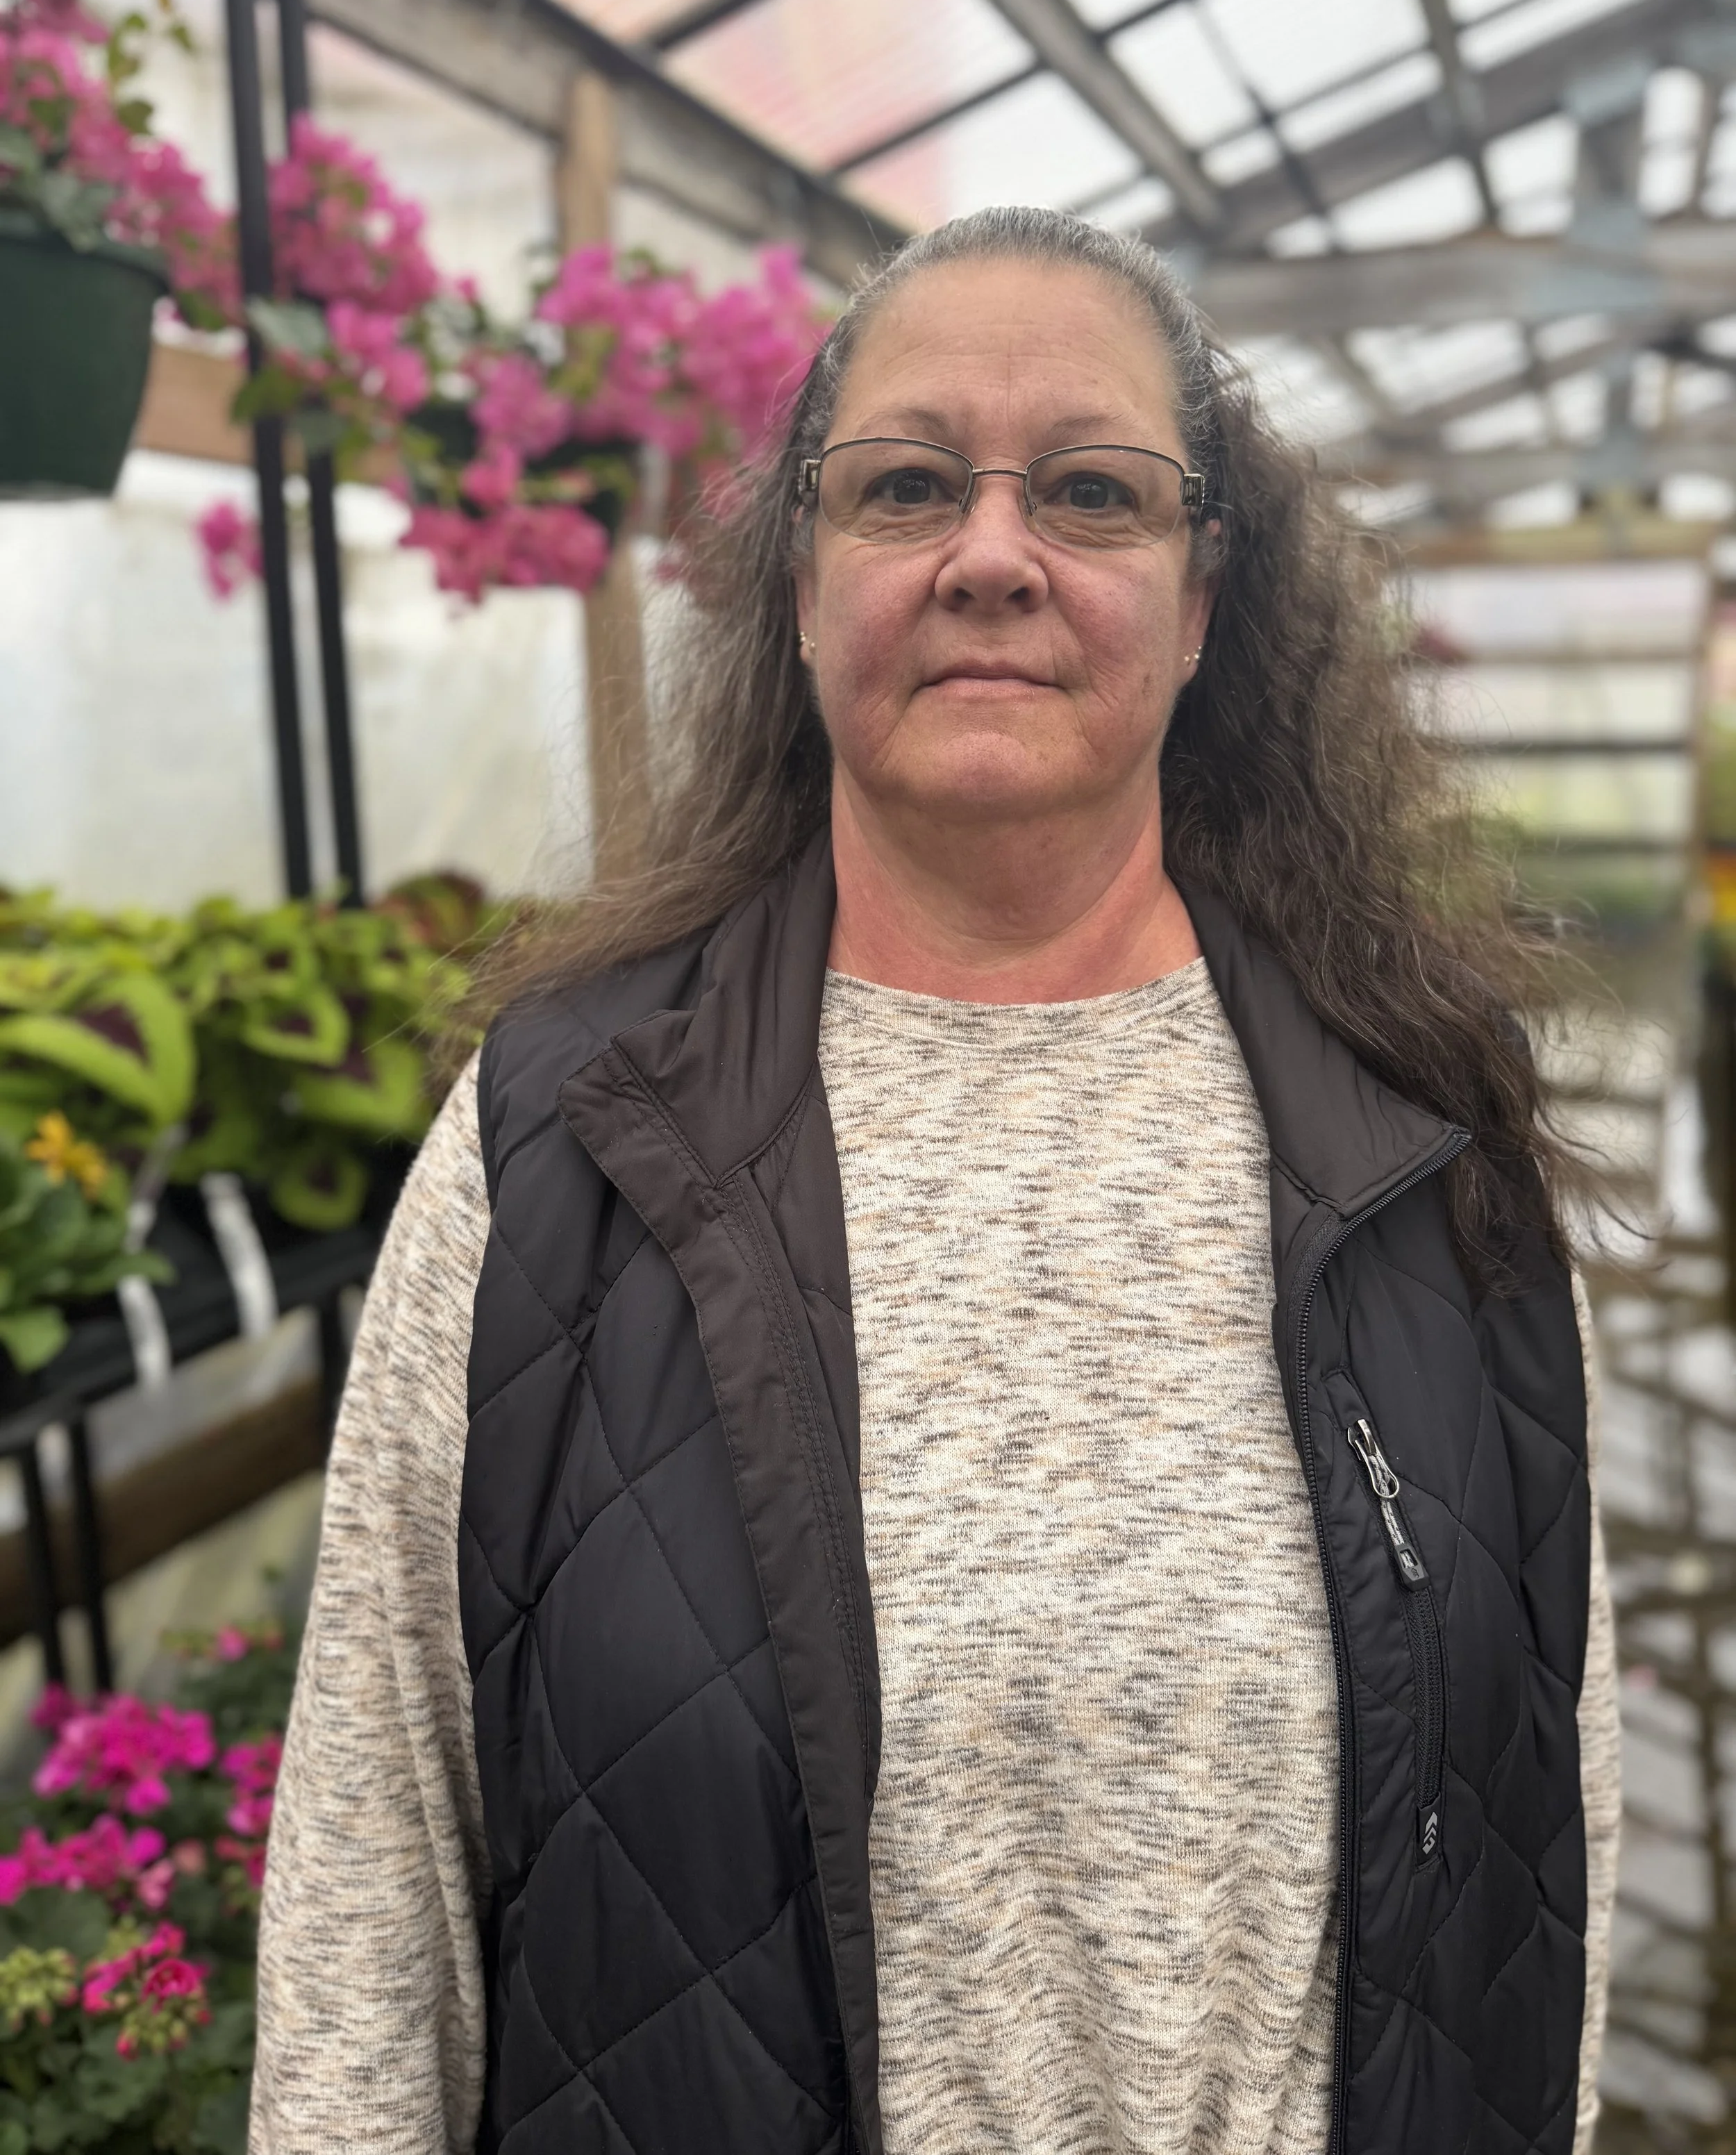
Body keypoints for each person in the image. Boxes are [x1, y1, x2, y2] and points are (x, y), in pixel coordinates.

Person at [251, 207, 1619, 2155]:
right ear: (801, 579)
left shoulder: (1424, 1147)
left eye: (1089, 489)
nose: (993, 555)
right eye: (903, 486)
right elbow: (372, 1880)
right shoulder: (556, 1144)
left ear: (1204, 594)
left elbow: (1543, 1837)